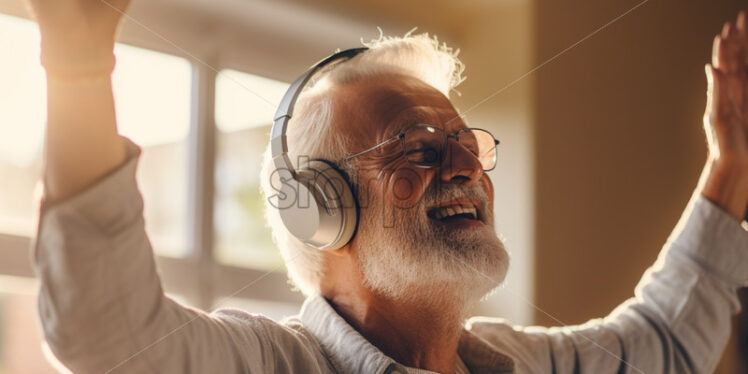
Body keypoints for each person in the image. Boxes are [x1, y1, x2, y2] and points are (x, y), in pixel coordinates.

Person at [25, 0, 748, 372]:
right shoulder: (267, 365)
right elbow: (107, 331)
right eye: (417, 149)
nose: (463, 166)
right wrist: (81, 65)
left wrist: (731, 165)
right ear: (322, 211)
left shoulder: (517, 363)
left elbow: (664, 341)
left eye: (464, 144)